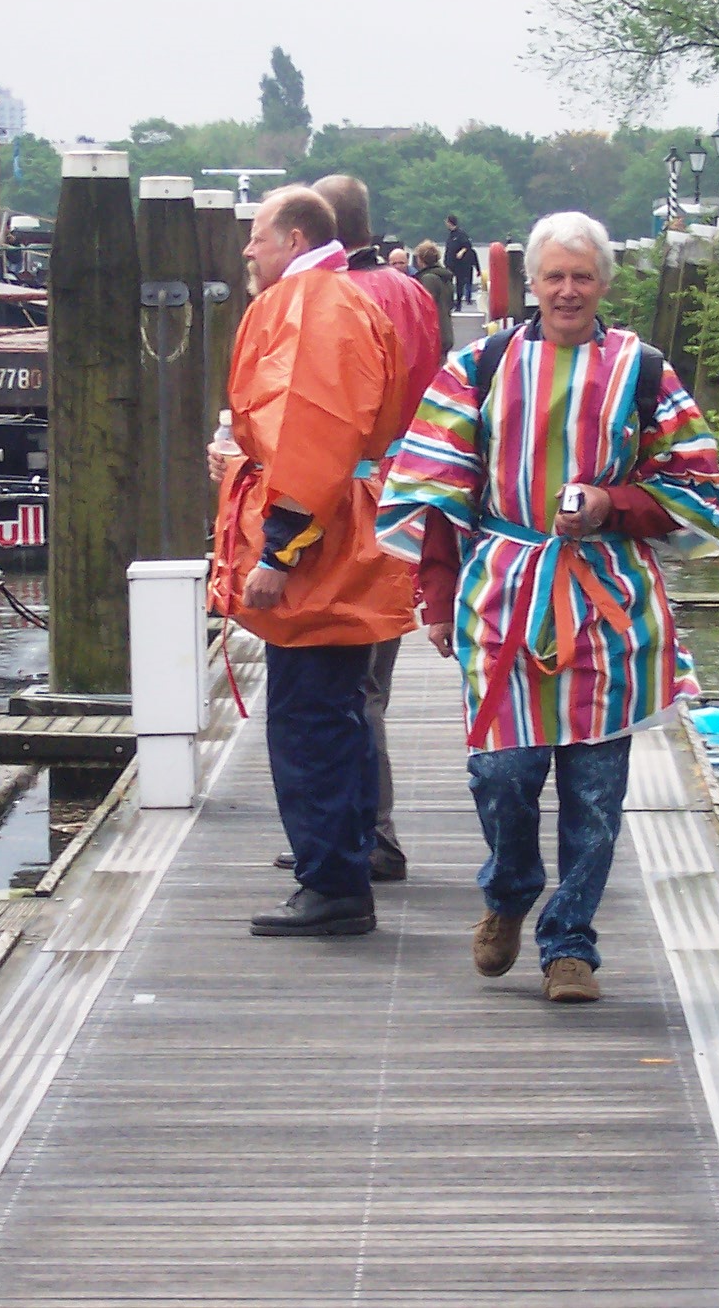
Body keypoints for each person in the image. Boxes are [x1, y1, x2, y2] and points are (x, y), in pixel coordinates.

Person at [376, 212, 719, 1002]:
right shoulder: (481, 365)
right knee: (500, 772)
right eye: (553, 276)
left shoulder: (644, 371)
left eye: (583, 276)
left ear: (605, 283)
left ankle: (570, 945)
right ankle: (509, 889)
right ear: (530, 285)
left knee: (596, 792)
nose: (568, 290)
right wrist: (434, 595)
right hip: (503, 588)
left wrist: (612, 502)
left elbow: (696, 489)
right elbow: (438, 491)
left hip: (609, 601)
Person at [207, 185, 416, 936]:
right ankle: (343, 864)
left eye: (257, 238)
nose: (247, 251)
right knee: (341, 711)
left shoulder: (312, 308)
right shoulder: (343, 301)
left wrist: (280, 548)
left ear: (293, 239)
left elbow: (312, 428)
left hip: (323, 547)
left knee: (310, 718)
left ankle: (331, 882)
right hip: (348, 533)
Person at [310, 172, 443, 885]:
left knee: (350, 684)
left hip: (358, 496)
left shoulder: (340, 299)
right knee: (369, 679)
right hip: (414, 488)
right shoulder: (415, 291)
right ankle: (350, 826)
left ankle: (368, 833)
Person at [413, 240, 455, 352]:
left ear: (420, 259)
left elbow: (425, 308)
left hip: (435, 337)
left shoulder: (428, 279)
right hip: (446, 332)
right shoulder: (445, 278)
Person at [444, 214, 479, 309]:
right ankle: (450, 302)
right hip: (450, 264)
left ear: (450, 222)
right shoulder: (450, 235)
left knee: (460, 284)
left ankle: (459, 303)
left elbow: (467, 245)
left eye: (446, 222)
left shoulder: (460, 234)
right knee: (448, 284)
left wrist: (461, 252)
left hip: (459, 264)